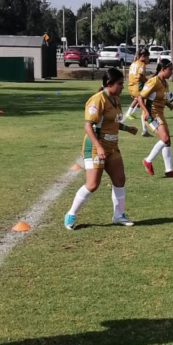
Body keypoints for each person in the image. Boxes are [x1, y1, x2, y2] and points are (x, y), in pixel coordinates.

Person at [64, 67, 137, 230]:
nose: (122, 87)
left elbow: (112, 121)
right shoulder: (97, 100)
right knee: (92, 185)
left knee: (119, 180)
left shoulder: (116, 99)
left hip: (112, 147)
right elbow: (88, 126)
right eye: (120, 84)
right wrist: (99, 146)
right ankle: (71, 214)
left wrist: (126, 128)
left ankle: (118, 216)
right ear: (109, 83)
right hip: (95, 148)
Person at [136, 59, 173, 177]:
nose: (172, 72)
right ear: (163, 69)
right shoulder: (153, 81)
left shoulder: (165, 83)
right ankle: (148, 161)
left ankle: (169, 170)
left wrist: (168, 104)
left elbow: (160, 97)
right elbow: (140, 97)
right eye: (170, 70)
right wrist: (146, 112)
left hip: (160, 114)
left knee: (167, 141)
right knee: (165, 138)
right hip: (152, 115)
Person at [124, 47, 151, 137]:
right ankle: (144, 130)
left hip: (131, 87)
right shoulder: (141, 64)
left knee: (140, 104)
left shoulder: (134, 63)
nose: (148, 59)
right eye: (147, 57)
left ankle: (144, 129)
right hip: (137, 87)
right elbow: (139, 77)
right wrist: (146, 81)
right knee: (144, 108)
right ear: (143, 56)